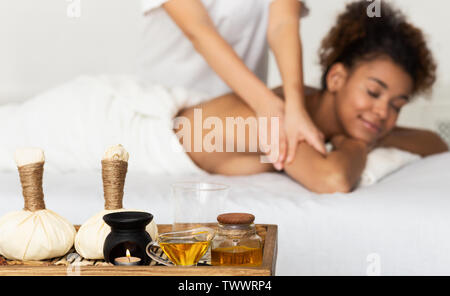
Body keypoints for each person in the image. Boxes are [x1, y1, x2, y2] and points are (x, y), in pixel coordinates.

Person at [174, 0, 449, 193]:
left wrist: (373, 134)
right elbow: (332, 180)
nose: (382, 112)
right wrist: (357, 144)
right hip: (155, 130)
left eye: (396, 106)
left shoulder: (335, 118)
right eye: (373, 92)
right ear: (336, 78)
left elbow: (436, 143)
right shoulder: (275, 119)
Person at [139, 0, 326, 171]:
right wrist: (267, 104)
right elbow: (199, 30)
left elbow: (283, 24)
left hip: (242, 110)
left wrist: (295, 107)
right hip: (168, 114)